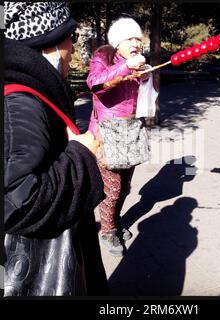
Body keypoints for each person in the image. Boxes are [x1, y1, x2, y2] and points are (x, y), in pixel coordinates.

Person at [4, 2, 108, 296]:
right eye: (70, 38)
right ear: (46, 42)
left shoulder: (28, 90)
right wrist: (81, 154)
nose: (73, 49)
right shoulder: (20, 102)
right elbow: (18, 201)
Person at [87, 17, 150, 257]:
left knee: (125, 187)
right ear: (118, 41)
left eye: (138, 38)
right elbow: (94, 83)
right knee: (112, 187)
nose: (135, 42)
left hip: (132, 129)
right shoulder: (104, 55)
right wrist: (127, 67)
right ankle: (106, 230)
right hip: (107, 131)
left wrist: (145, 78)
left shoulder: (138, 63)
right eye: (129, 38)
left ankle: (114, 221)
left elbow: (141, 98)